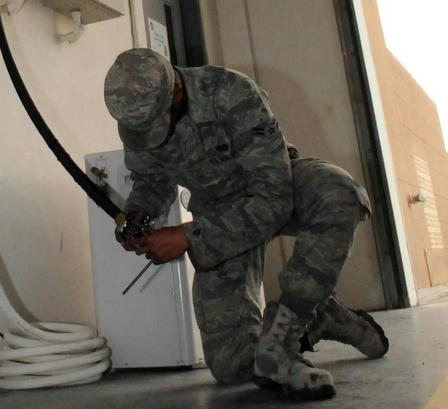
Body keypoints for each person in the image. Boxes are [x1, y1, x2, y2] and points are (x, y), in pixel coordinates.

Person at [104, 48, 388, 400]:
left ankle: (285, 335)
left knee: (338, 195)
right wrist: (138, 214)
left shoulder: (229, 92)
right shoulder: (137, 116)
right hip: (217, 212)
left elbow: (273, 198)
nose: (151, 135)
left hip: (276, 186)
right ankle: (322, 318)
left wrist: (189, 237)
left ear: (175, 91)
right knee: (233, 365)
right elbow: (151, 180)